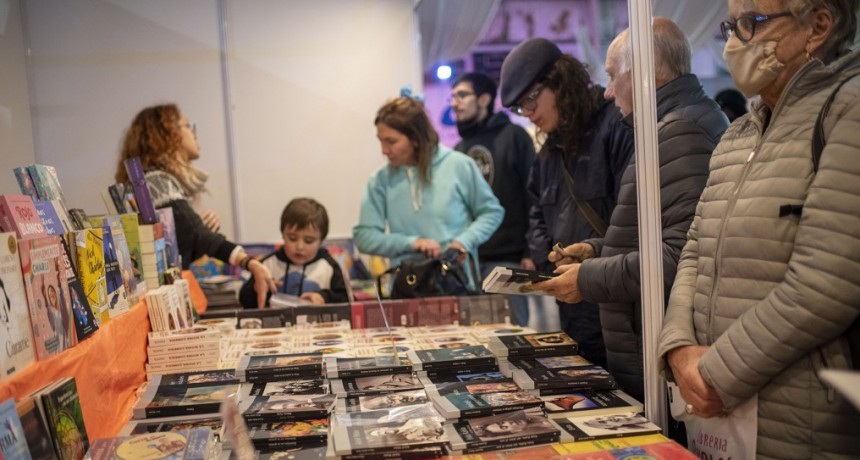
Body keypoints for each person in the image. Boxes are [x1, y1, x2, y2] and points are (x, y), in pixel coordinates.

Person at [657, 1, 860, 457]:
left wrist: (717, 374)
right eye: (731, 25)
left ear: (818, 26)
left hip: (802, 419)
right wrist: (678, 349)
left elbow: (826, 285)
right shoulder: (737, 135)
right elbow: (694, 250)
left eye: (752, 23)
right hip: (719, 422)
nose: (734, 42)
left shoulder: (849, 111)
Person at [534, 18, 728, 404]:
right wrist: (596, 248)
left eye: (611, 76)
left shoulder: (679, 130)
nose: (607, 92)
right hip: (647, 336)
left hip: (658, 342)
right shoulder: (671, 124)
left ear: (646, 72)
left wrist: (587, 278)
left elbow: (678, 255)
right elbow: (659, 234)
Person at [499, 38, 635, 369]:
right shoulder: (547, 154)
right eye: (521, 108)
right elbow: (537, 215)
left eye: (531, 100)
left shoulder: (617, 127)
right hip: (572, 312)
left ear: (560, 81)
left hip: (621, 308)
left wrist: (591, 253)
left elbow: (635, 222)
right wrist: (549, 256)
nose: (528, 114)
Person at [115, 104, 275, 308]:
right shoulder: (157, 182)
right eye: (188, 126)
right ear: (169, 135)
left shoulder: (153, 182)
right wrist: (249, 262)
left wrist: (198, 228)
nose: (194, 134)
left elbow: (181, 246)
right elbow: (197, 236)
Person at [352, 96, 504, 289]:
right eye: (381, 141)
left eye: (391, 142)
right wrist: (412, 243)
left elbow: (491, 212)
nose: (384, 150)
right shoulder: (379, 180)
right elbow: (364, 237)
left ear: (415, 139)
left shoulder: (459, 165)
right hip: (406, 286)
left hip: (457, 282)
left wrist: (462, 242)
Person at [450, 72, 536, 327]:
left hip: (510, 258)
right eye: (453, 97)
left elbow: (534, 194)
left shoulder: (514, 136)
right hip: (470, 262)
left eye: (462, 95)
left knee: (513, 337)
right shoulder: (460, 149)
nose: (455, 102)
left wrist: (532, 250)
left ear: (485, 99)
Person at [238, 198, 349, 308]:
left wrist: (325, 297)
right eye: (292, 238)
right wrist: (256, 289)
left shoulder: (329, 266)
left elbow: (345, 299)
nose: (299, 247)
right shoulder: (267, 265)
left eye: (308, 241)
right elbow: (244, 300)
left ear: (321, 240)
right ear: (283, 234)